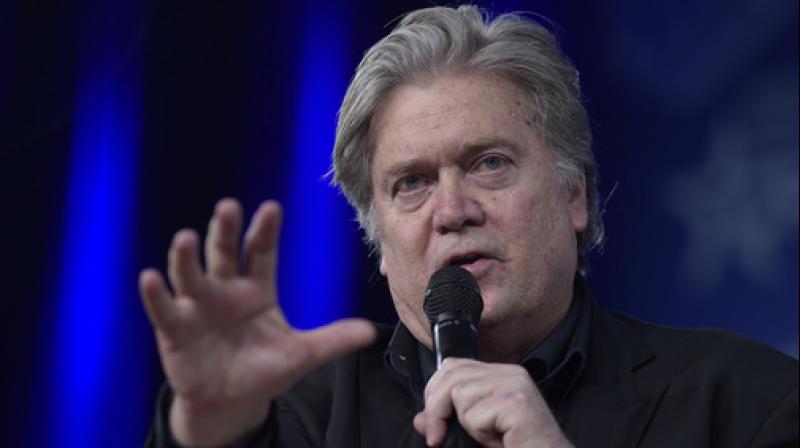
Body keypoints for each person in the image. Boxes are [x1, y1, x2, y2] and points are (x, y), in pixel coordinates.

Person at [141, 5, 798, 447]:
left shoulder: (744, 403)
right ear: (380, 239)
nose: (452, 211)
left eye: (489, 163)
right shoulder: (299, 420)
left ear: (575, 196)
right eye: (412, 184)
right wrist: (210, 427)